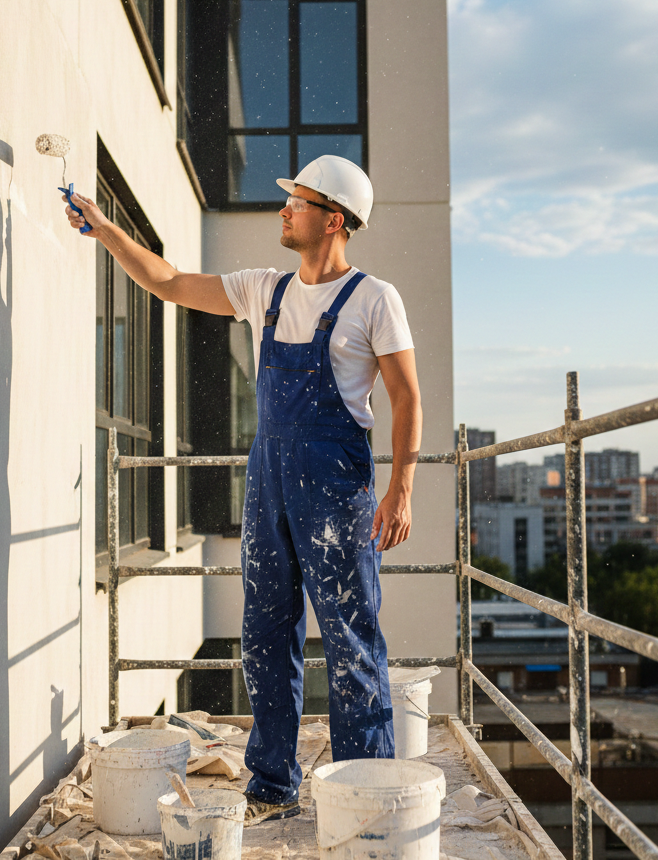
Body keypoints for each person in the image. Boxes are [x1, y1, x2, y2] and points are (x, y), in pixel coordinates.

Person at [63, 155, 422, 823]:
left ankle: (367, 793)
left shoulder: (375, 298)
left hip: (336, 489)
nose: (283, 210)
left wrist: (400, 490)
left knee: (347, 636)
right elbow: (168, 282)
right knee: (264, 631)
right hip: (269, 484)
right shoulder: (268, 289)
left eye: (299, 202)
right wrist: (107, 230)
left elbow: (406, 398)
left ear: (334, 220)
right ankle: (273, 782)